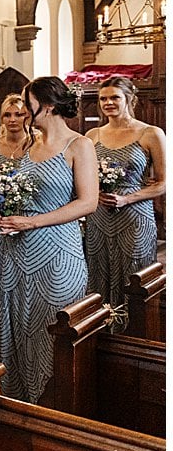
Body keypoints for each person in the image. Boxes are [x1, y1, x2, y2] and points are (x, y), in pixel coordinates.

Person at [0, 77, 98, 404]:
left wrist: (32, 221)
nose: (22, 110)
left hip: (56, 254)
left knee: (50, 330)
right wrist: (2, 211)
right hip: (15, 252)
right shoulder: (27, 145)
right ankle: (17, 407)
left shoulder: (79, 146)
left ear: (48, 105)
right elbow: (17, 191)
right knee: (17, 329)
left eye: (28, 102)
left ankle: (53, 410)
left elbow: (87, 202)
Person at [84, 76, 165, 333]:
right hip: (98, 216)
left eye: (114, 97)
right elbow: (83, 180)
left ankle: (135, 338)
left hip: (135, 217)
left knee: (134, 275)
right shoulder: (92, 135)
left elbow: (163, 183)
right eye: (103, 98)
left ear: (129, 98)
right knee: (99, 272)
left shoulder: (150, 133)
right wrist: (95, 196)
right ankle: (101, 336)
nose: (108, 103)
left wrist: (127, 198)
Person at [0, 93, 34, 338]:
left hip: (27, 220)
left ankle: (24, 329)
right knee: (0, 277)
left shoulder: (36, 143)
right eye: (7, 115)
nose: (13, 120)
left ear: (27, 116)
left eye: (19, 114)